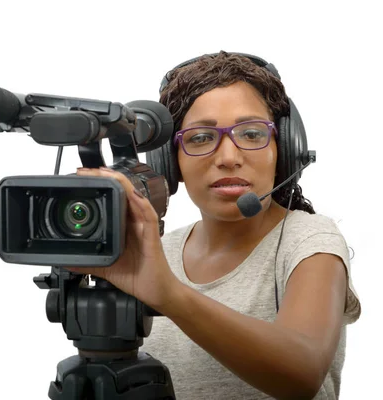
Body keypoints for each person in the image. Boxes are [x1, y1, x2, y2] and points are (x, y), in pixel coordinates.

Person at [70, 51, 361, 399]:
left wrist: (169, 294)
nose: (228, 157)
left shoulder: (309, 240)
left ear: (284, 150)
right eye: (200, 138)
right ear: (170, 161)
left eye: (252, 133)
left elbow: (303, 371)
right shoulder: (156, 252)